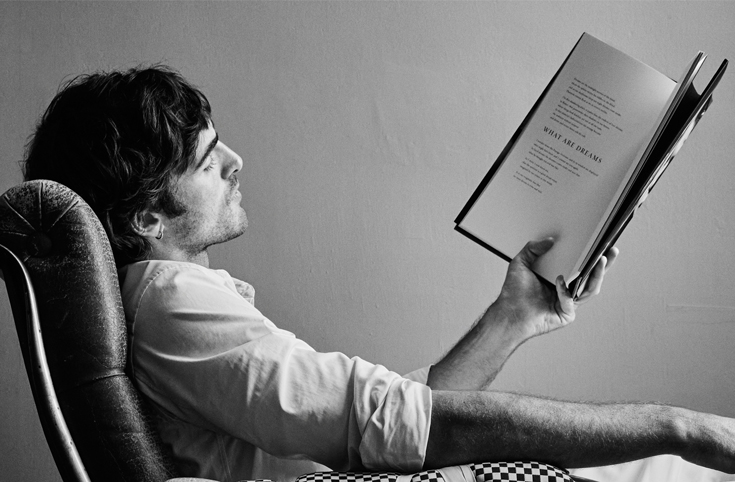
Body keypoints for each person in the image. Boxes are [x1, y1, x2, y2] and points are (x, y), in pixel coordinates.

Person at [22, 66, 735, 482]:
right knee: (673, 463)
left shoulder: (168, 304)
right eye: (209, 163)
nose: (236, 162)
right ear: (147, 216)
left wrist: (514, 315)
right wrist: (678, 426)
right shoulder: (171, 300)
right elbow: (395, 427)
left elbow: (388, 432)